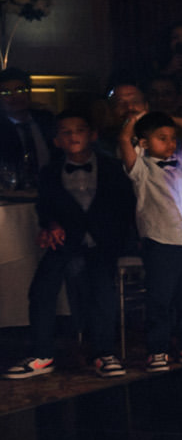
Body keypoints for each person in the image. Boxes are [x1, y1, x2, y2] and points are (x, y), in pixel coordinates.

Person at [5, 112, 134, 379]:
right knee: (41, 289)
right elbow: (45, 206)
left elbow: (124, 207)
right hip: (65, 241)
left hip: (102, 242)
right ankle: (42, 353)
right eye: (66, 132)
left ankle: (104, 353)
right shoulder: (50, 172)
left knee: (102, 289)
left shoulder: (112, 168)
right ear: (56, 141)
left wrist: (116, 238)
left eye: (79, 130)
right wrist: (50, 224)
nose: (73, 136)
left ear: (92, 135)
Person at [120, 105, 182, 371]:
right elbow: (124, 139)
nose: (171, 143)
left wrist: (161, 117)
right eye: (163, 138)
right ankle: (157, 349)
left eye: (172, 137)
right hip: (160, 242)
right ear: (145, 142)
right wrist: (138, 119)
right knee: (160, 298)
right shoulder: (141, 169)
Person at [0, 67, 56, 190]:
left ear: (29, 92)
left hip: (51, 194)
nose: (15, 97)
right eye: (6, 93)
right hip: (10, 199)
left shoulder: (46, 120)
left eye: (20, 90)